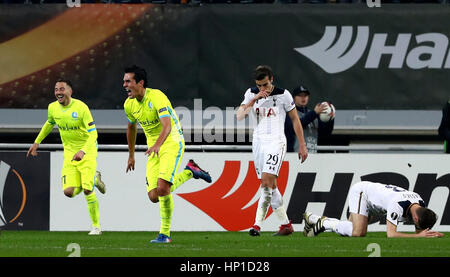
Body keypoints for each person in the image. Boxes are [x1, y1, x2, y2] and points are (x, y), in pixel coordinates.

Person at [123, 65, 212, 244]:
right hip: (153, 147)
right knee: (154, 196)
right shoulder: (129, 104)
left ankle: (164, 235)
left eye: (128, 81)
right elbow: (131, 128)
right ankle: (190, 171)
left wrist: (157, 144)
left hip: (171, 141)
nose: (124, 85)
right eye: (124, 81)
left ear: (140, 82)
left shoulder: (157, 97)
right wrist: (131, 155)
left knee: (163, 188)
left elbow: (167, 125)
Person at [27, 79, 106, 235]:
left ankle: (96, 226)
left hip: (87, 150)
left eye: (62, 89)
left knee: (87, 189)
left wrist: (83, 151)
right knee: (68, 192)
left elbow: (94, 134)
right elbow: (49, 124)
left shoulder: (81, 107)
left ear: (70, 91)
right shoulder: (52, 108)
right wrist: (36, 143)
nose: (58, 92)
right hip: (69, 153)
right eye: (56, 89)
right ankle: (95, 179)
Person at [236, 65, 308, 236]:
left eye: (265, 85)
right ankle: (286, 225)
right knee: (270, 185)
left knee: (266, 182)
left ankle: (256, 225)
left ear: (272, 80)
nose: (262, 88)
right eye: (259, 85)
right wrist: (255, 99)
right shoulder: (251, 93)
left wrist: (302, 144)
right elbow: (239, 116)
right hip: (259, 142)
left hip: (276, 141)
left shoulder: (284, 95)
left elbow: (295, 119)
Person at [303, 181, 444, 238]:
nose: (418, 227)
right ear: (416, 218)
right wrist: (418, 236)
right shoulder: (398, 205)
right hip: (362, 193)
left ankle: (313, 219)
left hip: (377, 205)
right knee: (358, 232)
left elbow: (420, 231)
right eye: (418, 224)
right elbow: (391, 234)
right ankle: (324, 223)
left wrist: (427, 235)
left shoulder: (420, 203)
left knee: (354, 227)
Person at [285, 85, 334, 153]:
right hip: (295, 155)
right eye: (300, 95)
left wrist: (330, 119)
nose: (303, 98)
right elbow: (296, 126)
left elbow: (325, 134)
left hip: (312, 155)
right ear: (293, 98)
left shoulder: (314, 114)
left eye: (305, 95)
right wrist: (314, 113)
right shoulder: (290, 113)